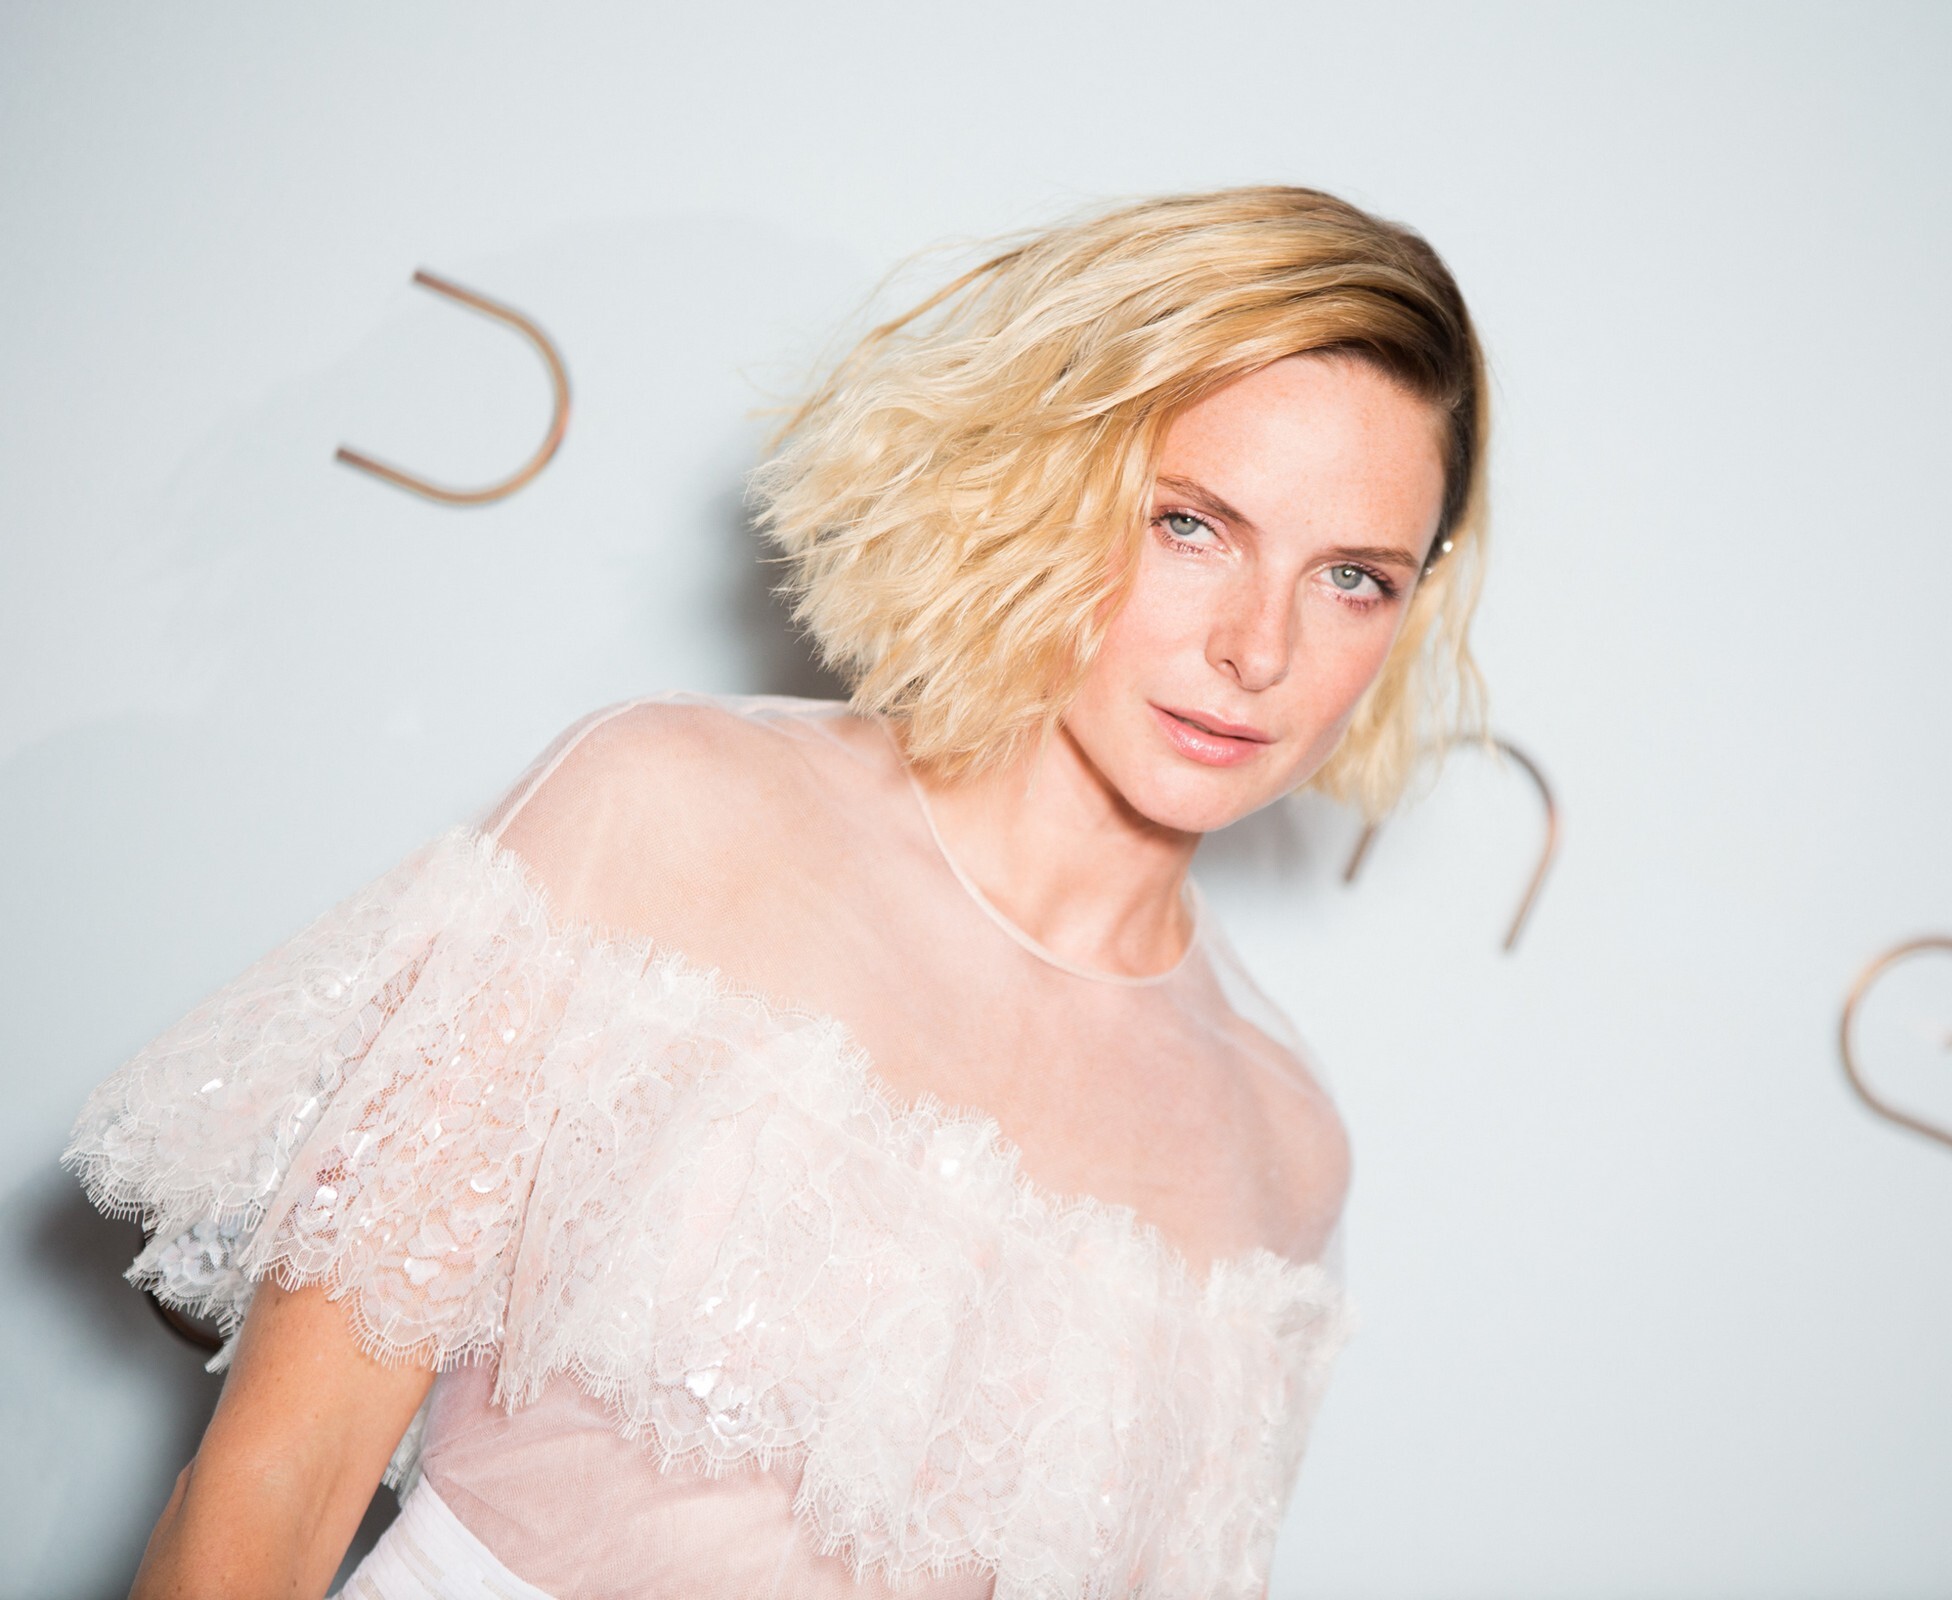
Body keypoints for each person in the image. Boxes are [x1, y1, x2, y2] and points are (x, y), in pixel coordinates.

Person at [67, 185, 1489, 1600]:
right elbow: (271, 1490)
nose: (1258, 649)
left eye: (1352, 579)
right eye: (1191, 525)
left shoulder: (1284, 1145)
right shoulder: (668, 816)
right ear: (1053, 483)